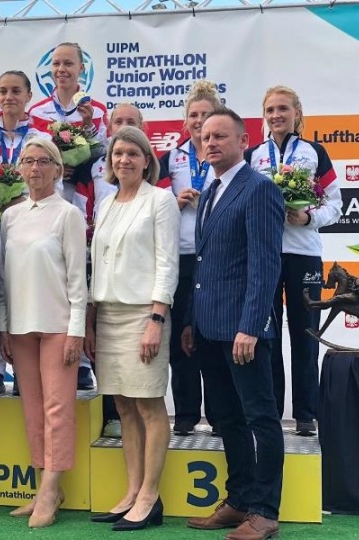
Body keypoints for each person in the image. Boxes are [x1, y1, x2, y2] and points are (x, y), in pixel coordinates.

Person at [182, 109, 285, 540]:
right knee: (226, 418)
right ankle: (239, 500)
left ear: (244, 141)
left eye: (220, 136)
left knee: (260, 418)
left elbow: (266, 264)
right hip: (209, 329)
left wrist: (251, 325)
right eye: (205, 136)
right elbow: (204, 264)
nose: (210, 143)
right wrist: (191, 321)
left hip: (244, 331)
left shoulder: (259, 188)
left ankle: (265, 511)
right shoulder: (209, 191)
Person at [85, 126, 179, 531]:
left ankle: (150, 496)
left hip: (144, 314)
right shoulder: (105, 203)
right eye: (117, 153)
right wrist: (90, 321)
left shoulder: (160, 200)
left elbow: (167, 262)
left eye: (132, 154)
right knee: (123, 406)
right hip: (108, 314)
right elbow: (97, 264)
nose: (123, 160)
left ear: (146, 161)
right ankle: (132, 490)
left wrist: (156, 319)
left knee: (148, 404)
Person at [0, 138, 87, 528]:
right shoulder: (10, 217)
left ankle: (51, 490)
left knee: (57, 409)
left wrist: (76, 331)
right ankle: (42, 486)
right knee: (32, 409)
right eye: (28, 161)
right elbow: (4, 279)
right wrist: (3, 325)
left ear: (58, 169)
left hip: (57, 325)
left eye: (43, 161)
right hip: (20, 326)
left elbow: (77, 278)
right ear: (19, 169)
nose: (35, 168)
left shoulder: (68, 214)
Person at [245, 86, 342, 436]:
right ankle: (270, 414)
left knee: (305, 336)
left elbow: (335, 204)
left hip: (304, 254)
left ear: (297, 112)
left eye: (283, 108)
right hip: (265, 255)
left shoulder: (315, 152)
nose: (276, 115)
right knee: (266, 338)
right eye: (270, 110)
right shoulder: (253, 155)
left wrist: (308, 218)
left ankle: (305, 415)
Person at [28, 41, 108, 390]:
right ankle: (45, 352)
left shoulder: (96, 109)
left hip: (83, 199)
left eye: (69, 64)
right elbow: (33, 154)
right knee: (53, 276)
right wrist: (58, 168)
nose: (62, 70)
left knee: (81, 278)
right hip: (50, 199)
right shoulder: (38, 111)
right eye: (57, 64)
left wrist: (87, 129)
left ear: (81, 69)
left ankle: (83, 364)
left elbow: (103, 154)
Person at [0, 70, 50, 396]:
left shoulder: (41, 133)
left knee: (26, 294)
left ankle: (26, 369)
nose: (9, 97)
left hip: (30, 223)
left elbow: (50, 176)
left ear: (29, 96)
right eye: (3, 91)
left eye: (16, 91)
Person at [158, 81, 223, 437]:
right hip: (181, 256)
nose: (199, 121)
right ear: (185, 121)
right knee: (178, 342)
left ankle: (219, 415)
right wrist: (175, 202)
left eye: (205, 114)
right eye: (193, 115)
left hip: (215, 257)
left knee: (211, 337)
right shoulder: (172, 157)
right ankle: (184, 414)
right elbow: (154, 205)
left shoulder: (224, 154)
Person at [89, 103, 144, 438]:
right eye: (118, 121)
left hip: (139, 287)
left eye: (131, 121)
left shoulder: (153, 176)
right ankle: (110, 413)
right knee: (107, 356)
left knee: (141, 371)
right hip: (106, 280)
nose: (124, 126)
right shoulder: (95, 166)